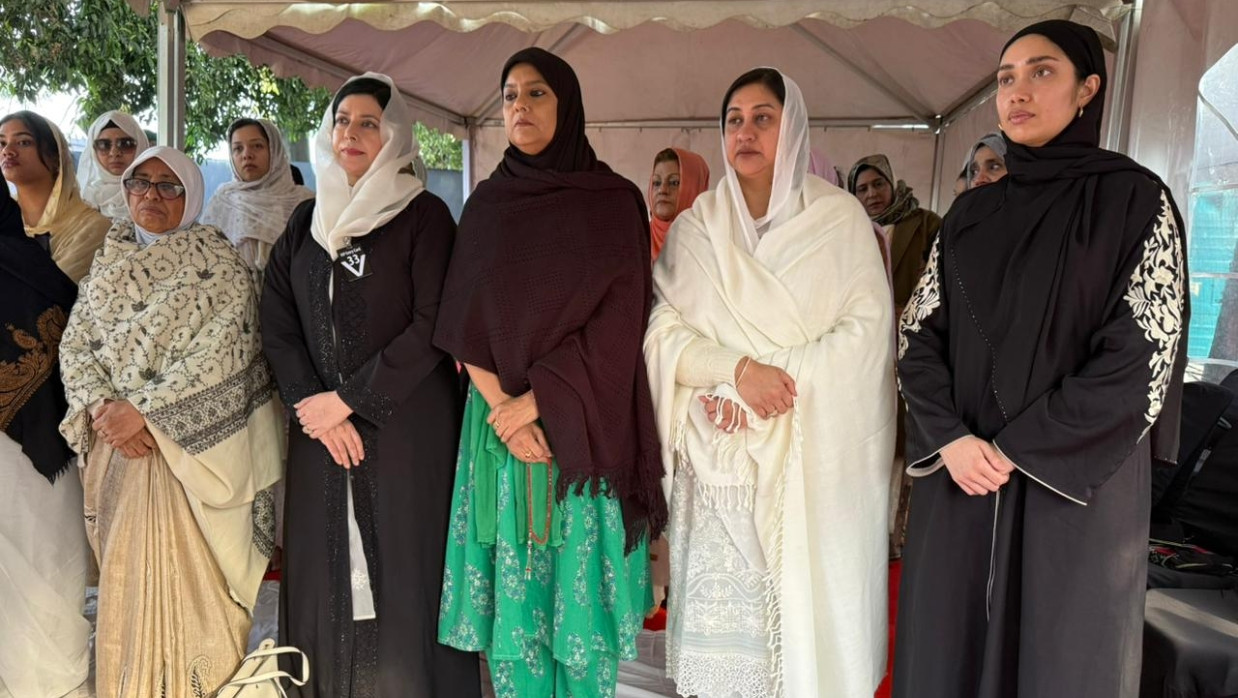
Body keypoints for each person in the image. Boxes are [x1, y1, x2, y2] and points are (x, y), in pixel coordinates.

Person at [894, 20, 1188, 697]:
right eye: (1005, 78)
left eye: (1041, 72)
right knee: (949, 655)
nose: (1017, 92)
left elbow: (1144, 352)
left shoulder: (1137, 203)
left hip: (1071, 496)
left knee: (1060, 660)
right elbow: (918, 340)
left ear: (1089, 89)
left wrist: (1018, 448)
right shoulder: (967, 218)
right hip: (964, 480)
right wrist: (955, 442)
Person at [645, 68, 895, 698]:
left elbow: (865, 339)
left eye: (763, 117)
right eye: (734, 119)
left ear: (792, 127)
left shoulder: (838, 221)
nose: (746, 132)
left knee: (793, 640)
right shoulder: (699, 225)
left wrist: (771, 388)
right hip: (715, 461)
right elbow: (661, 332)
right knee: (723, 653)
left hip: (801, 465)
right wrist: (734, 377)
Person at [434, 48, 665, 698]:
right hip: (501, 430)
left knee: (579, 614)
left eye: (536, 94)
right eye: (509, 95)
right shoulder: (487, 205)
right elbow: (462, 321)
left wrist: (534, 404)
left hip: (581, 433)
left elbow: (623, 322)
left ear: (566, 105)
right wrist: (506, 412)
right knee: (518, 618)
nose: (519, 107)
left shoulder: (613, 202)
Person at [260, 73, 480, 697]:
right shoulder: (304, 225)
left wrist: (351, 401)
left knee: (404, 564)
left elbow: (434, 320)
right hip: (319, 435)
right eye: (341, 121)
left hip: (405, 428)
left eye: (367, 122)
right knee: (323, 567)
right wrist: (313, 406)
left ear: (393, 134)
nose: (351, 134)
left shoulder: (423, 215)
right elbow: (276, 322)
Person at [58, 146, 283, 698]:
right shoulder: (106, 264)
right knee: (127, 589)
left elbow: (224, 352)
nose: (152, 196)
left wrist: (146, 414)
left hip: (192, 459)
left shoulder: (222, 266)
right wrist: (101, 408)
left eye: (169, 186)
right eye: (141, 184)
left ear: (192, 195)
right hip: (118, 454)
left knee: (197, 593)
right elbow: (76, 344)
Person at [0, 176, 91, 698]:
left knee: (44, 562)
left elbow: (64, 334)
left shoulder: (29, 263)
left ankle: (52, 680)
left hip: (35, 449)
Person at [1, 111, 110, 283]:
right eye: (2, 143)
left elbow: (52, 295)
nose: (7, 151)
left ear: (55, 158)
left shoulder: (91, 228)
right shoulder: (4, 220)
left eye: (23, 142)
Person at [202, 118, 313, 271]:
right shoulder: (222, 202)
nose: (247, 155)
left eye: (257, 146)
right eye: (238, 149)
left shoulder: (304, 202)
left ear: (274, 151)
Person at [847, 154, 942, 314]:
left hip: (914, 324)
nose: (872, 194)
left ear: (892, 184)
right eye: (862, 189)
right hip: (866, 325)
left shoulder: (926, 223)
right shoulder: (850, 230)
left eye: (878, 184)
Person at [77, 110, 150, 219]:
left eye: (126, 144)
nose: (114, 153)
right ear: (93, 151)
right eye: (103, 145)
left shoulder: (154, 195)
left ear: (140, 147)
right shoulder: (83, 198)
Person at [648, 147, 709, 262]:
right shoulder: (635, 240)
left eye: (674, 183)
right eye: (656, 182)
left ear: (695, 188)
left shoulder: (713, 245)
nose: (662, 190)